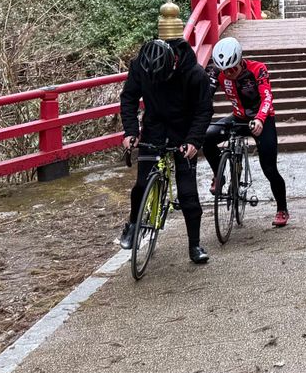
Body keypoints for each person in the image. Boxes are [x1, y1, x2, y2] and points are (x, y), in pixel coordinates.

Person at [118, 37, 214, 264]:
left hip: (184, 130)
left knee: (187, 192)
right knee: (141, 184)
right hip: (154, 126)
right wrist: (130, 132)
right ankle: (133, 224)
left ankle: (194, 244)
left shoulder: (194, 74)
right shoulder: (141, 65)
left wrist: (193, 141)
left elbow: (204, 110)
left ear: (173, 63)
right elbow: (129, 98)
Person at [202, 37, 290, 227]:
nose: (229, 73)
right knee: (207, 137)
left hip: (261, 119)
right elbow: (205, 97)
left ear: (240, 60)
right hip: (237, 117)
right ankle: (219, 175)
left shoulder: (257, 69)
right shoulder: (217, 72)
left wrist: (260, 119)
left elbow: (267, 97)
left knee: (269, 169)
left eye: (232, 69)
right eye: (225, 71)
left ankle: (282, 208)